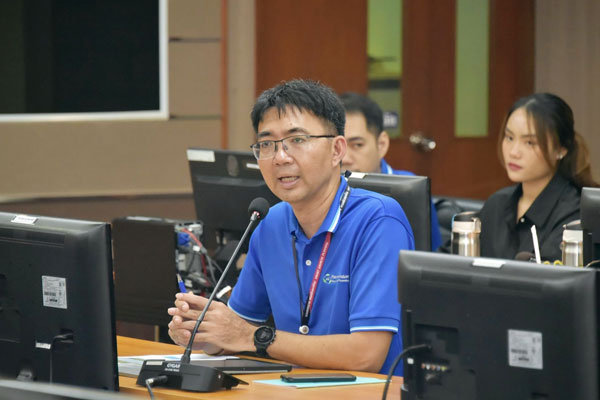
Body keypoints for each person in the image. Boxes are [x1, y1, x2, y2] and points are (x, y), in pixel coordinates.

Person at [168, 80, 414, 376]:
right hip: (294, 388)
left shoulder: (378, 221)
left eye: (297, 140)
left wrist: (253, 337)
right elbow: (237, 329)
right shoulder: (269, 223)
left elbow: (366, 356)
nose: (280, 157)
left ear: (336, 150)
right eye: (267, 144)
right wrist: (201, 332)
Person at [479, 93, 598, 262]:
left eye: (529, 142)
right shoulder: (496, 204)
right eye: (509, 137)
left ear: (561, 150)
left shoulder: (575, 215)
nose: (514, 152)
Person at [339, 92, 442, 251]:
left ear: (381, 144)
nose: (345, 158)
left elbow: (431, 259)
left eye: (357, 145)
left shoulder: (410, 191)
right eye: (338, 146)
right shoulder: (322, 188)